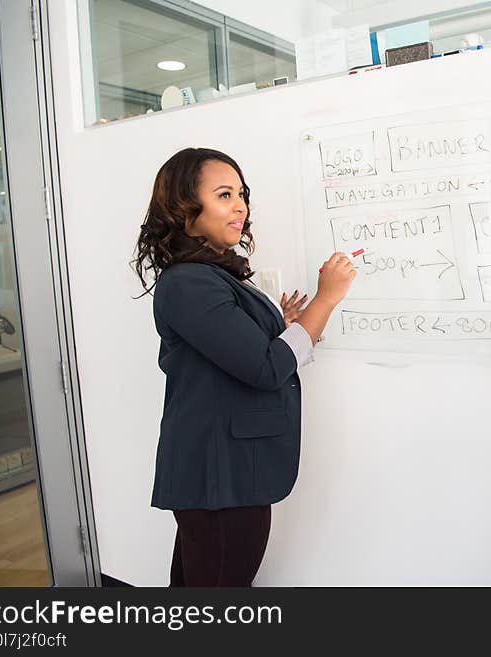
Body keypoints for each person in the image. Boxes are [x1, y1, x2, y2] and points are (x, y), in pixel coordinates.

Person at [132, 147, 355, 586]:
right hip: (221, 476)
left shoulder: (213, 274)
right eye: (224, 195)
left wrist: (286, 325)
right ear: (184, 209)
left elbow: (241, 352)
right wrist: (326, 298)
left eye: (241, 193)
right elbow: (267, 367)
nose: (240, 206)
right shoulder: (189, 282)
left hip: (227, 471)